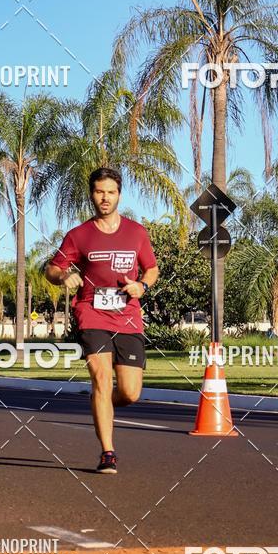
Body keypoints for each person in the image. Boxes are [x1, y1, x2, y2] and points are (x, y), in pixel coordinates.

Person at [45, 167, 159, 474]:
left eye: (110, 192)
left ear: (119, 194)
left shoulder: (136, 232)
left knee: (131, 392)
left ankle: (101, 403)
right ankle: (108, 452)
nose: (104, 198)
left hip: (128, 316)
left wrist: (142, 286)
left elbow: (151, 269)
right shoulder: (79, 235)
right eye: (99, 192)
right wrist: (64, 276)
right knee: (101, 377)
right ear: (91, 195)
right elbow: (52, 268)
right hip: (91, 312)